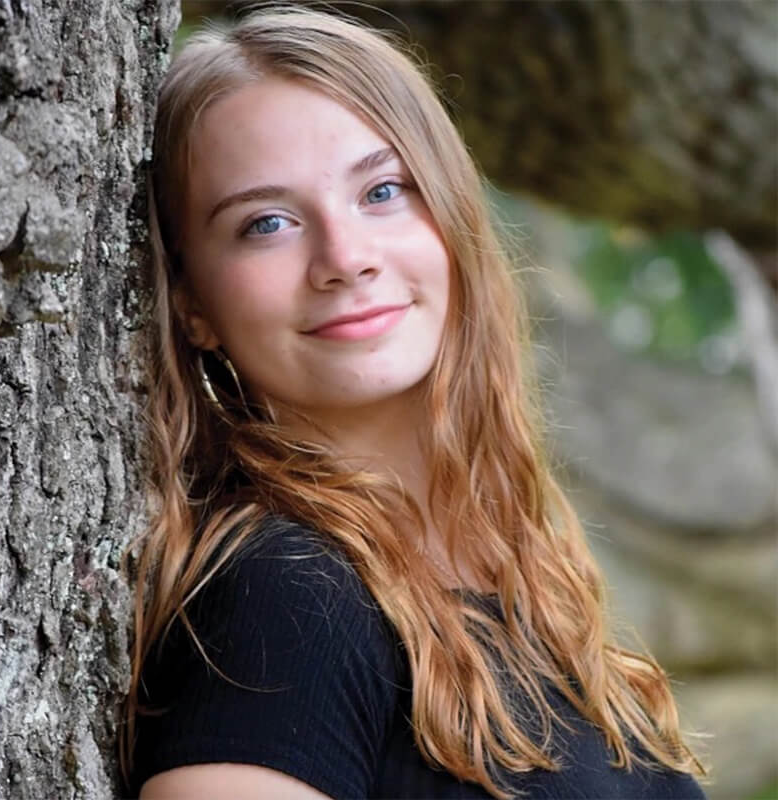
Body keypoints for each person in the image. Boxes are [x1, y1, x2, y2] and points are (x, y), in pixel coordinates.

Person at [121, 6, 707, 799]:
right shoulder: (285, 601)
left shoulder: (520, 579)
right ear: (192, 303)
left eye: (383, 190)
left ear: (451, 213)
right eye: (266, 223)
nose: (344, 257)